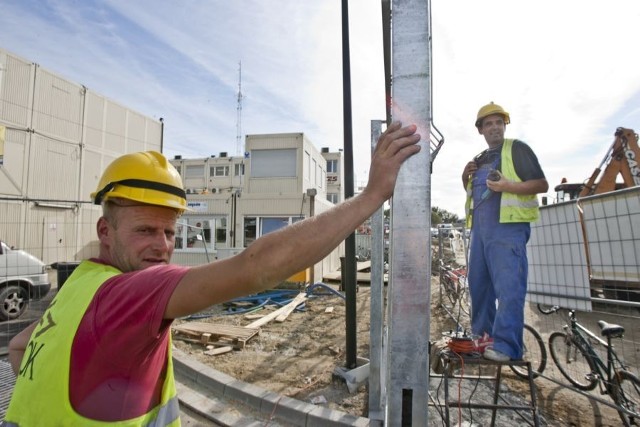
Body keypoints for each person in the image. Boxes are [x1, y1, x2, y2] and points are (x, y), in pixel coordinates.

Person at [4, 121, 421, 426]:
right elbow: (258, 268)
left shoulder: (78, 283)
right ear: (105, 231)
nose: (162, 246)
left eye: (169, 232)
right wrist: (371, 195)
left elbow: (20, 348)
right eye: (145, 231)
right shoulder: (131, 292)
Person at [461, 102, 548, 362]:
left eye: (499, 122)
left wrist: (508, 185)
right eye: (489, 123)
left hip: (508, 230)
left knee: (509, 289)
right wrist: (464, 177)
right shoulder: (478, 159)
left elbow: (542, 184)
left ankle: (508, 346)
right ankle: (483, 337)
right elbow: (474, 195)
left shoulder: (517, 149)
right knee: (479, 288)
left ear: (505, 125)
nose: (495, 127)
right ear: (481, 130)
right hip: (480, 233)